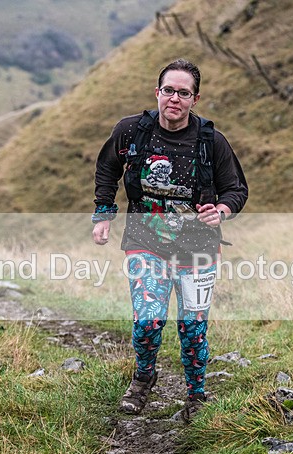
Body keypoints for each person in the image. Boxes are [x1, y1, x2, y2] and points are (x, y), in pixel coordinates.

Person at [92, 58, 248, 421]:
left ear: (195, 99)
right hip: (145, 241)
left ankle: (196, 395)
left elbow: (236, 189)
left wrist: (221, 211)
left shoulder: (211, 142)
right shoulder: (132, 132)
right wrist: (103, 214)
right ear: (156, 92)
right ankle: (143, 380)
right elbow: (107, 169)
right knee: (147, 320)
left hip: (199, 248)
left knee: (193, 327)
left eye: (183, 93)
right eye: (168, 91)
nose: (174, 99)